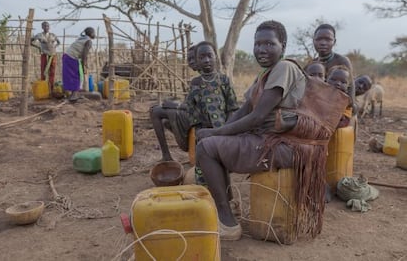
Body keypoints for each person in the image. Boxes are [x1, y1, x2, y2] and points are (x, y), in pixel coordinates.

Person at [195, 20, 349, 241]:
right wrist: (218, 130)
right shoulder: (264, 74)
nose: (261, 49)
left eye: (269, 43)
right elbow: (244, 110)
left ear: (282, 46)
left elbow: (256, 117)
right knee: (212, 143)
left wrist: (212, 134)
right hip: (272, 140)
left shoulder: (284, 68)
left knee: (206, 149)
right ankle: (230, 208)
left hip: (287, 146)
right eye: (258, 44)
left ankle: (227, 221)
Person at [149, 42, 238, 184]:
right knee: (203, 165)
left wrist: (227, 129)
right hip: (203, 131)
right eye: (201, 57)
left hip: (221, 130)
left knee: (222, 167)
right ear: (198, 60)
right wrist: (199, 127)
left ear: (215, 56)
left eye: (209, 56)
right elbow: (191, 107)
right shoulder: (196, 83)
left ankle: (226, 198)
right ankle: (204, 193)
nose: (206, 60)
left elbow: (232, 107)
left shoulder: (223, 80)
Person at [312, 24, 355, 110]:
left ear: (334, 42)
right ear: (314, 41)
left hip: (340, 106)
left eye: (328, 39)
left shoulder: (342, 61)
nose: (323, 43)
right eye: (319, 39)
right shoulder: (312, 64)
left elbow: (350, 89)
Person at [62, 27, 96, 102]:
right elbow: (84, 55)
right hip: (71, 57)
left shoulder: (82, 38)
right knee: (77, 75)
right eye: (94, 32)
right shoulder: (88, 41)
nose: (95, 34)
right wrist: (84, 65)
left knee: (71, 75)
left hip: (67, 56)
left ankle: (73, 94)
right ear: (90, 33)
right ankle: (74, 95)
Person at [31, 21, 60, 92]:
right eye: (45, 26)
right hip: (44, 54)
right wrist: (38, 47)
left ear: (49, 27)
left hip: (53, 55)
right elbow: (30, 41)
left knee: (52, 71)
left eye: (47, 26)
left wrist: (54, 47)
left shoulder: (53, 35)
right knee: (43, 70)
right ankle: (43, 88)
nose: (46, 27)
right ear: (42, 27)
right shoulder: (39, 35)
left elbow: (58, 42)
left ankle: (51, 88)